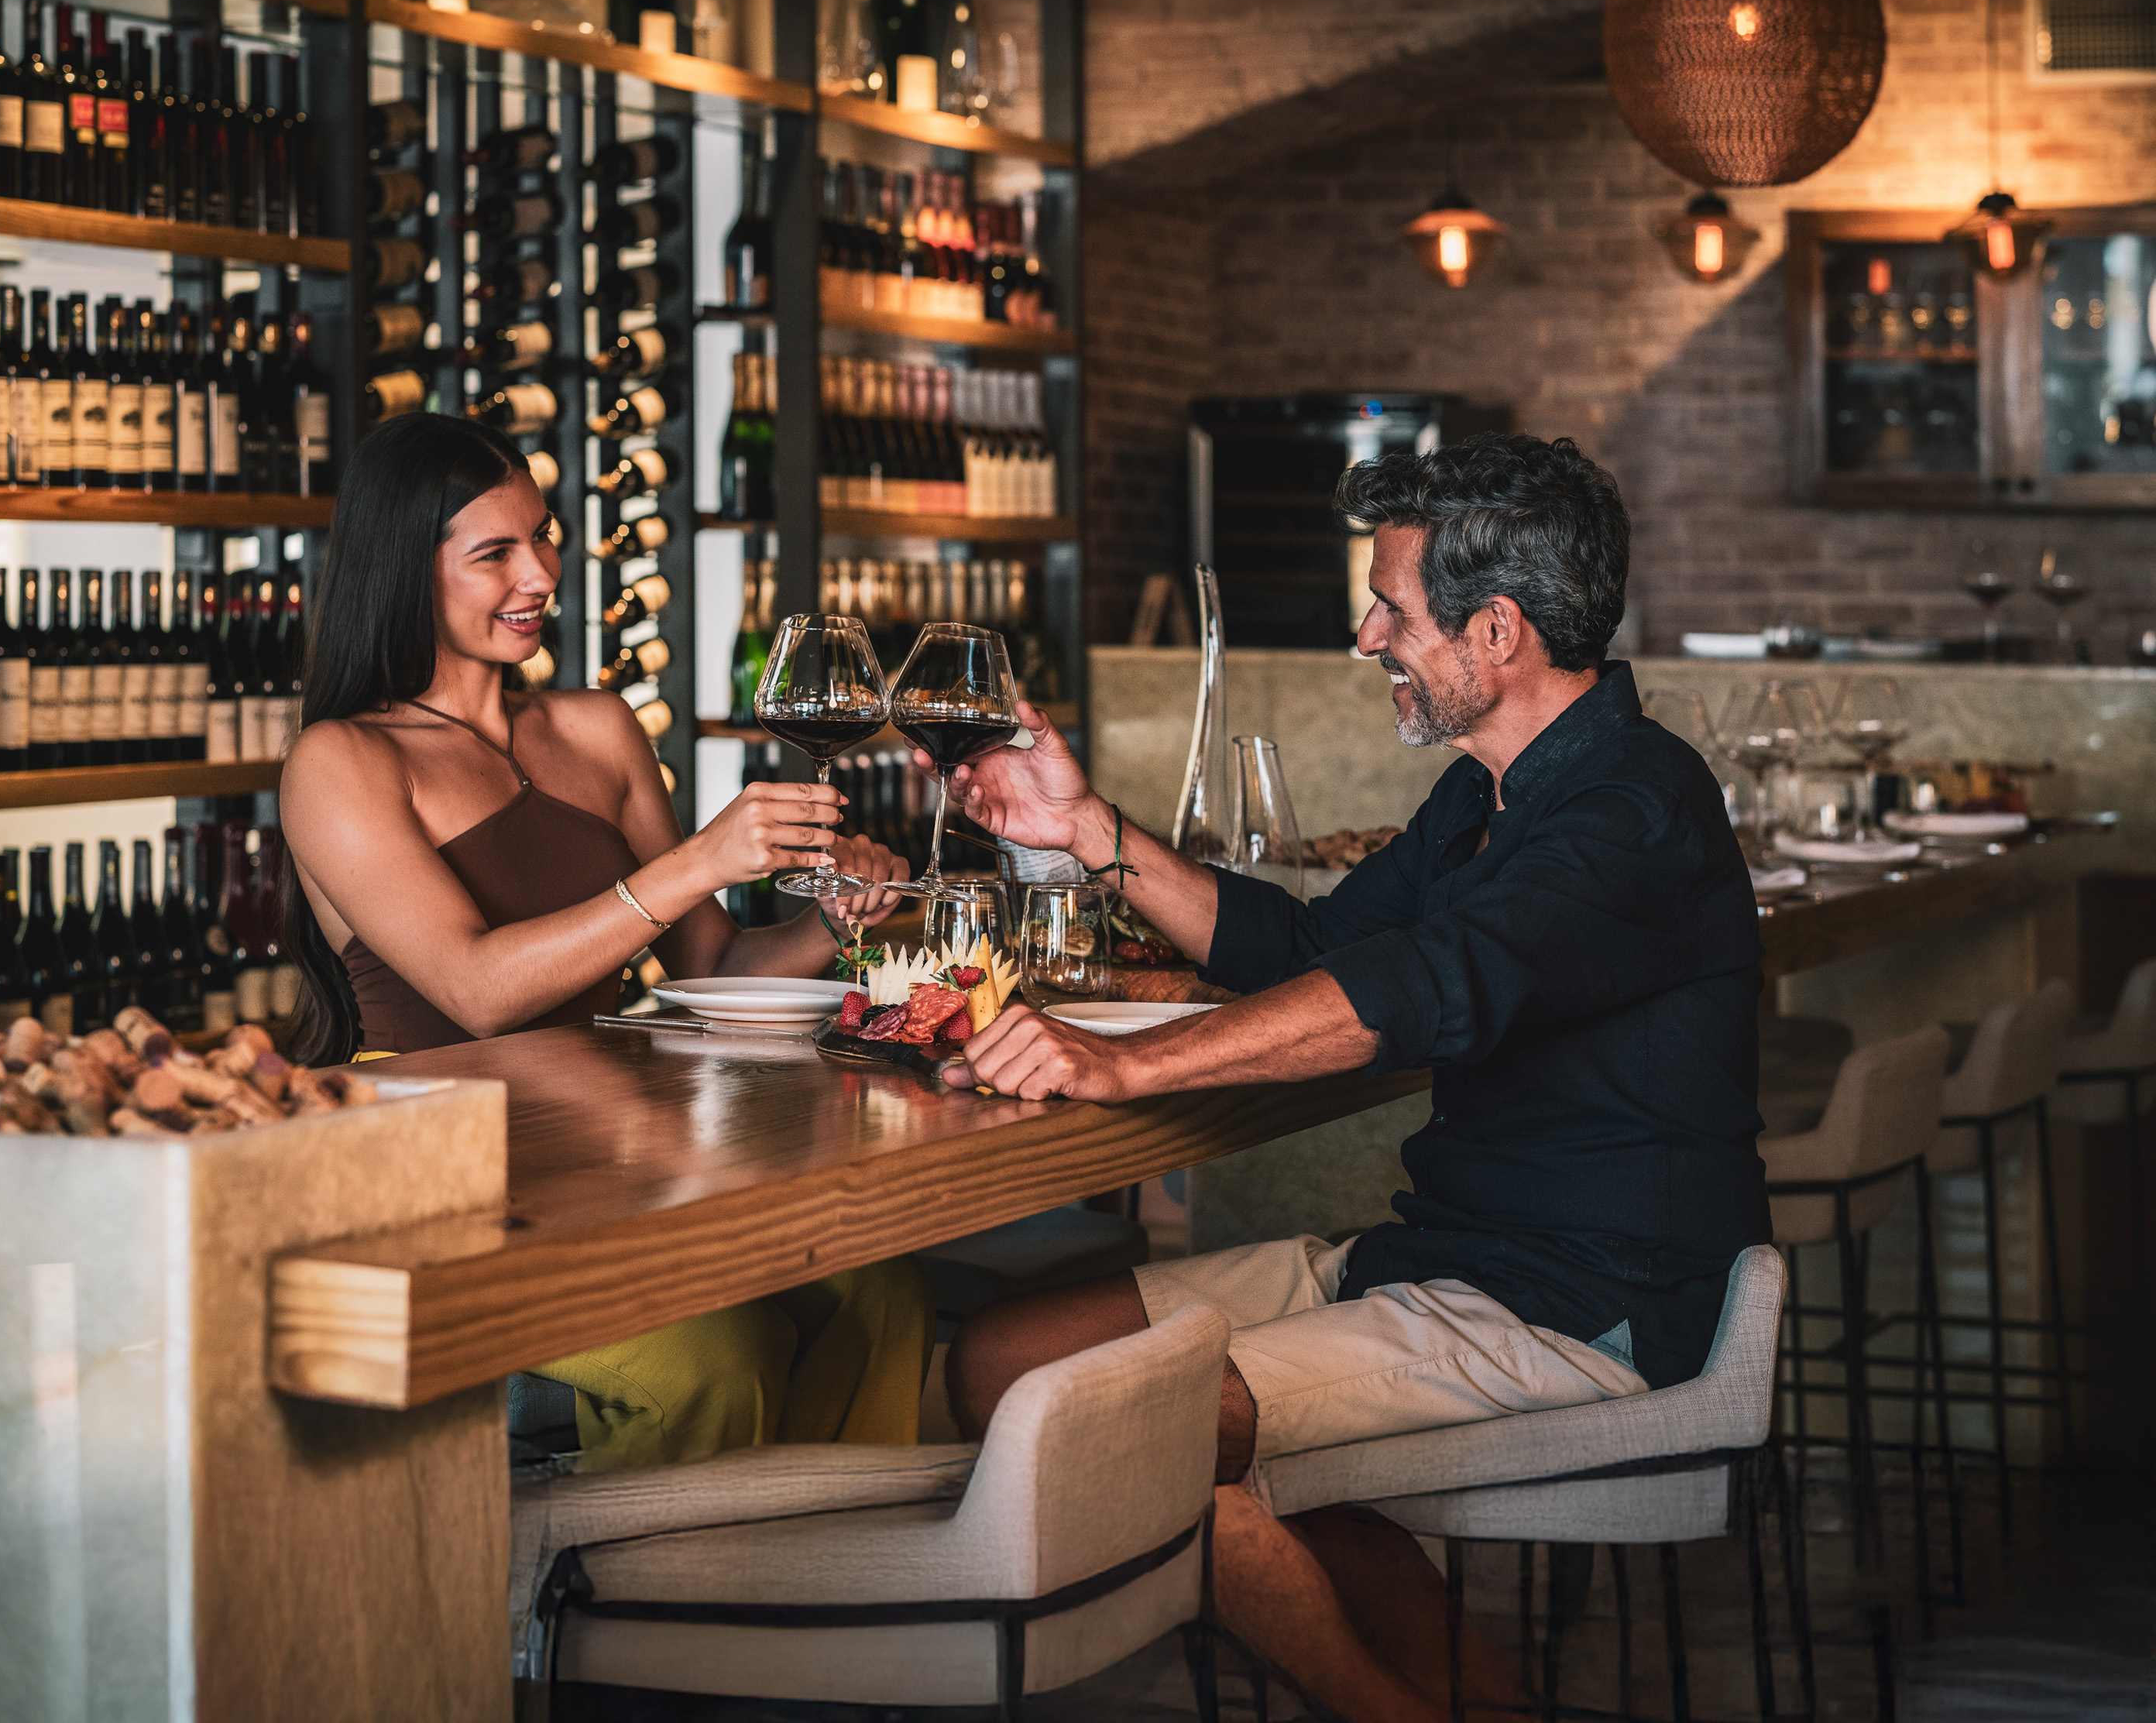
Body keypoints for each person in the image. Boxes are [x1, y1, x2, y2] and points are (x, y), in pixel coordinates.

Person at [932, 434, 1767, 1722]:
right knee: (1002, 1360)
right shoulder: (1480, 797)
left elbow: (1424, 989)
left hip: (1586, 1303)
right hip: (1440, 1259)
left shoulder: (1635, 806)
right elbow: (1311, 947)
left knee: (1119, 1434)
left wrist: (1128, 1065)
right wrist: (1085, 830)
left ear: (1497, 630)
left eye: (1393, 609)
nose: (1367, 636)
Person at [276, 412, 928, 1473]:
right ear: (405, 569)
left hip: (600, 1134)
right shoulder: (341, 760)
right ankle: (655, 1580)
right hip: (438, 1165)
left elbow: (713, 969)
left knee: (883, 1294)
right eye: (494, 553)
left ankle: (824, 1560)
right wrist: (696, 862)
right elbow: (477, 990)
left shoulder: (596, 728)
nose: (541, 575)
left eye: (543, 537)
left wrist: (834, 919)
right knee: (715, 1357)